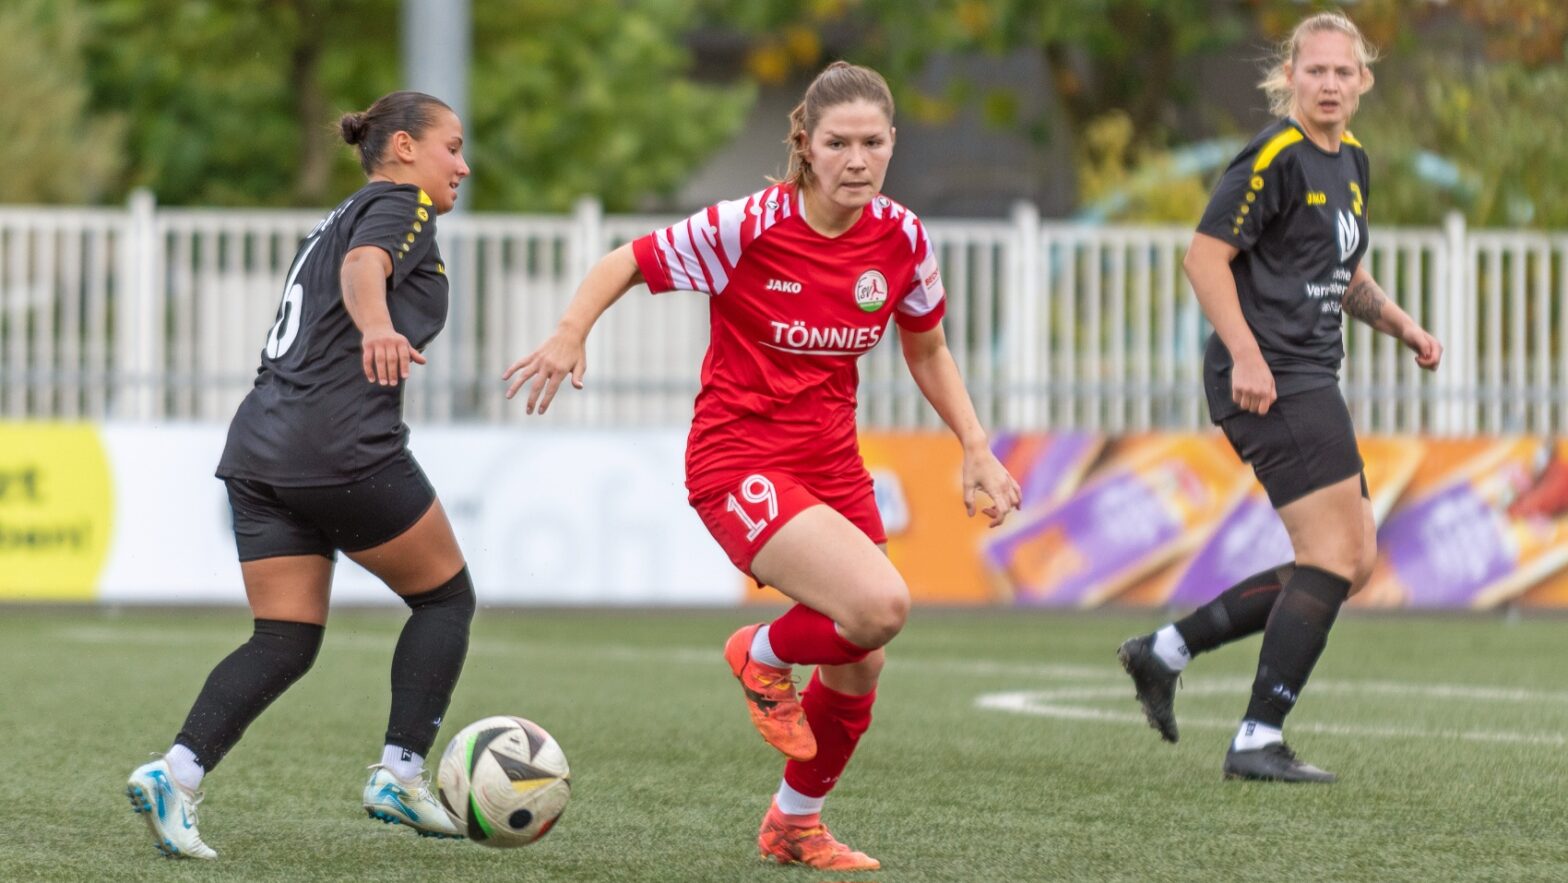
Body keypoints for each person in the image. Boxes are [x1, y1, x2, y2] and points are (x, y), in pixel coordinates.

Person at [504, 61, 1021, 870]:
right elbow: (624, 262)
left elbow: (928, 348)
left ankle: (794, 821)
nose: (857, 159)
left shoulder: (904, 238)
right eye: (838, 143)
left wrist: (975, 446)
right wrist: (572, 330)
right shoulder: (746, 225)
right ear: (805, 147)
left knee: (861, 660)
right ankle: (764, 653)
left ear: (893, 145)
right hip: (737, 458)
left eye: (873, 143)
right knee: (882, 604)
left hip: (831, 464)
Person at [124, 91, 475, 859]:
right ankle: (400, 772)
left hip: (260, 445)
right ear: (406, 147)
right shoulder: (401, 203)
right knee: (446, 596)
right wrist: (378, 325)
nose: (463, 164)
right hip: (338, 444)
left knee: (285, 636)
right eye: (452, 146)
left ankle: (174, 774)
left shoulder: (337, 215)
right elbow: (364, 269)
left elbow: (343, 270)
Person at [1117, 12, 1442, 783]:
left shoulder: (1352, 161)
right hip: (1272, 375)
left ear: (1362, 81)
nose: (1329, 84)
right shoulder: (1275, 156)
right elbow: (1203, 259)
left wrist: (1404, 327)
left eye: (1343, 72)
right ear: (1289, 76)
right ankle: (1258, 737)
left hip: (1308, 373)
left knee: (1351, 560)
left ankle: (1165, 651)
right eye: (1315, 71)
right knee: (1335, 555)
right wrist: (1247, 355)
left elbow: (1346, 277)